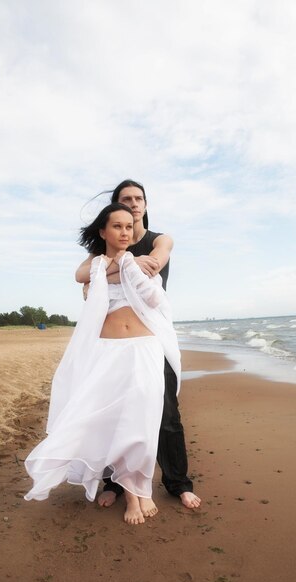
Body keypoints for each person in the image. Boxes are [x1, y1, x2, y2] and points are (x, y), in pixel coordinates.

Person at [25, 203, 181, 525]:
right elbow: (85, 286)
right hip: (108, 351)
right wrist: (115, 266)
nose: (124, 232)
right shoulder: (96, 266)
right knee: (114, 421)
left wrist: (128, 266)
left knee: (141, 422)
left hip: (144, 349)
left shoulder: (140, 263)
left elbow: (155, 301)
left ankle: (140, 490)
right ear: (103, 231)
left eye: (128, 227)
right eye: (117, 227)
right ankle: (134, 495)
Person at [75, 180, 201, 509]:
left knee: (167, 414)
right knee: (113, 411)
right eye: (125, 200)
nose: (133, 204)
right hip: (116, 340)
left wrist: (108, 271)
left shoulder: (158, 239)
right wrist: (119, 267)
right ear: (114, 209)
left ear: (145, 204)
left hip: (153, 335)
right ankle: (115, 484)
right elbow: (83, 276)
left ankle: (177, 483)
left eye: (138, 199)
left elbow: (153, 266)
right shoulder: (105, 249)